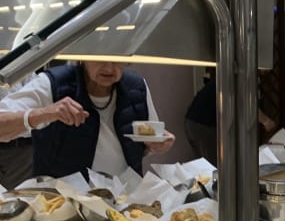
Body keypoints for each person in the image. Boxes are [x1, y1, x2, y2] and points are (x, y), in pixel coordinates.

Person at [0, 60, 174, 178]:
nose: (109, 68)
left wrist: (157, 144)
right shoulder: (51, 83)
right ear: (83, 57)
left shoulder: (137, 87)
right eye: (101, 59)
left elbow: (145, 143)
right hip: (65, 204)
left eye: (117, 60)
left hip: (125, 202)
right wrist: (44, 113)